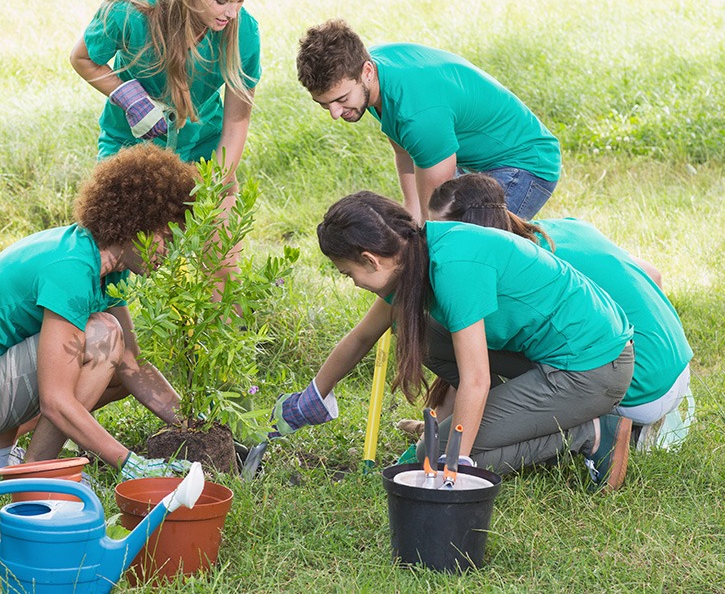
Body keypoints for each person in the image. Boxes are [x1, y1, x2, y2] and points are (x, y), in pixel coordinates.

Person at [268, 191, 636, 491]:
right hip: (551, 355)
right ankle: (517, 414)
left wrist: (456, 458)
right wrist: (313, 396)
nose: (354, 283)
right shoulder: (415, 255)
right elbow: (362, 337)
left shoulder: (454, 269)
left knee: (430, 458)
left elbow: (476, 379)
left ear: (370, 259)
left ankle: (587, 432)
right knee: (416, 332)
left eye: (348, 274)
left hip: (592, 367)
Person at [0, 145, 197, 479]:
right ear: (138, 221)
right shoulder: (72, 270)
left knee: (120, 363)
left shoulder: (105, 262)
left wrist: (196, 427)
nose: (170, 253)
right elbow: (55, 399)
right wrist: (131, 464)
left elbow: (134, 366)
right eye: (166, 237)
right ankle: (37, 472)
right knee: (103, 336)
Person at [423, 173, 693, 450]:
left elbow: (471, 359)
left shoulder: (514, 273)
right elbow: (653, 274)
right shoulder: (563, 228)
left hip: (631, 388)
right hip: (676, 370)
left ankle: (594, 431)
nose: (437, 245)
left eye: (446, 233)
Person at [295, 19, 561, 222]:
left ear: (366, 72)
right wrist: (412, 210)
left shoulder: (418, 113)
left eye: (341, 99)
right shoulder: (374, 74)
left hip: (524, 164)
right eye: (324, 104)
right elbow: (403, 146)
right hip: (473, 162)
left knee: (465, 249)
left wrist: (423, 230)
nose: (334, 113)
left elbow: (436, 217)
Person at [71, 0, 261, 190]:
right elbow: (82, 58)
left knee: (219, 230)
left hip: (203, 149)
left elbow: (237, 121)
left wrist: (213, 182)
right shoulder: (131, 13)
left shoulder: (244, 32)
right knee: (120, 227)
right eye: (221, 1)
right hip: (130, 148)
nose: (232, 13)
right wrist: (128, 96)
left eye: (241, 0)